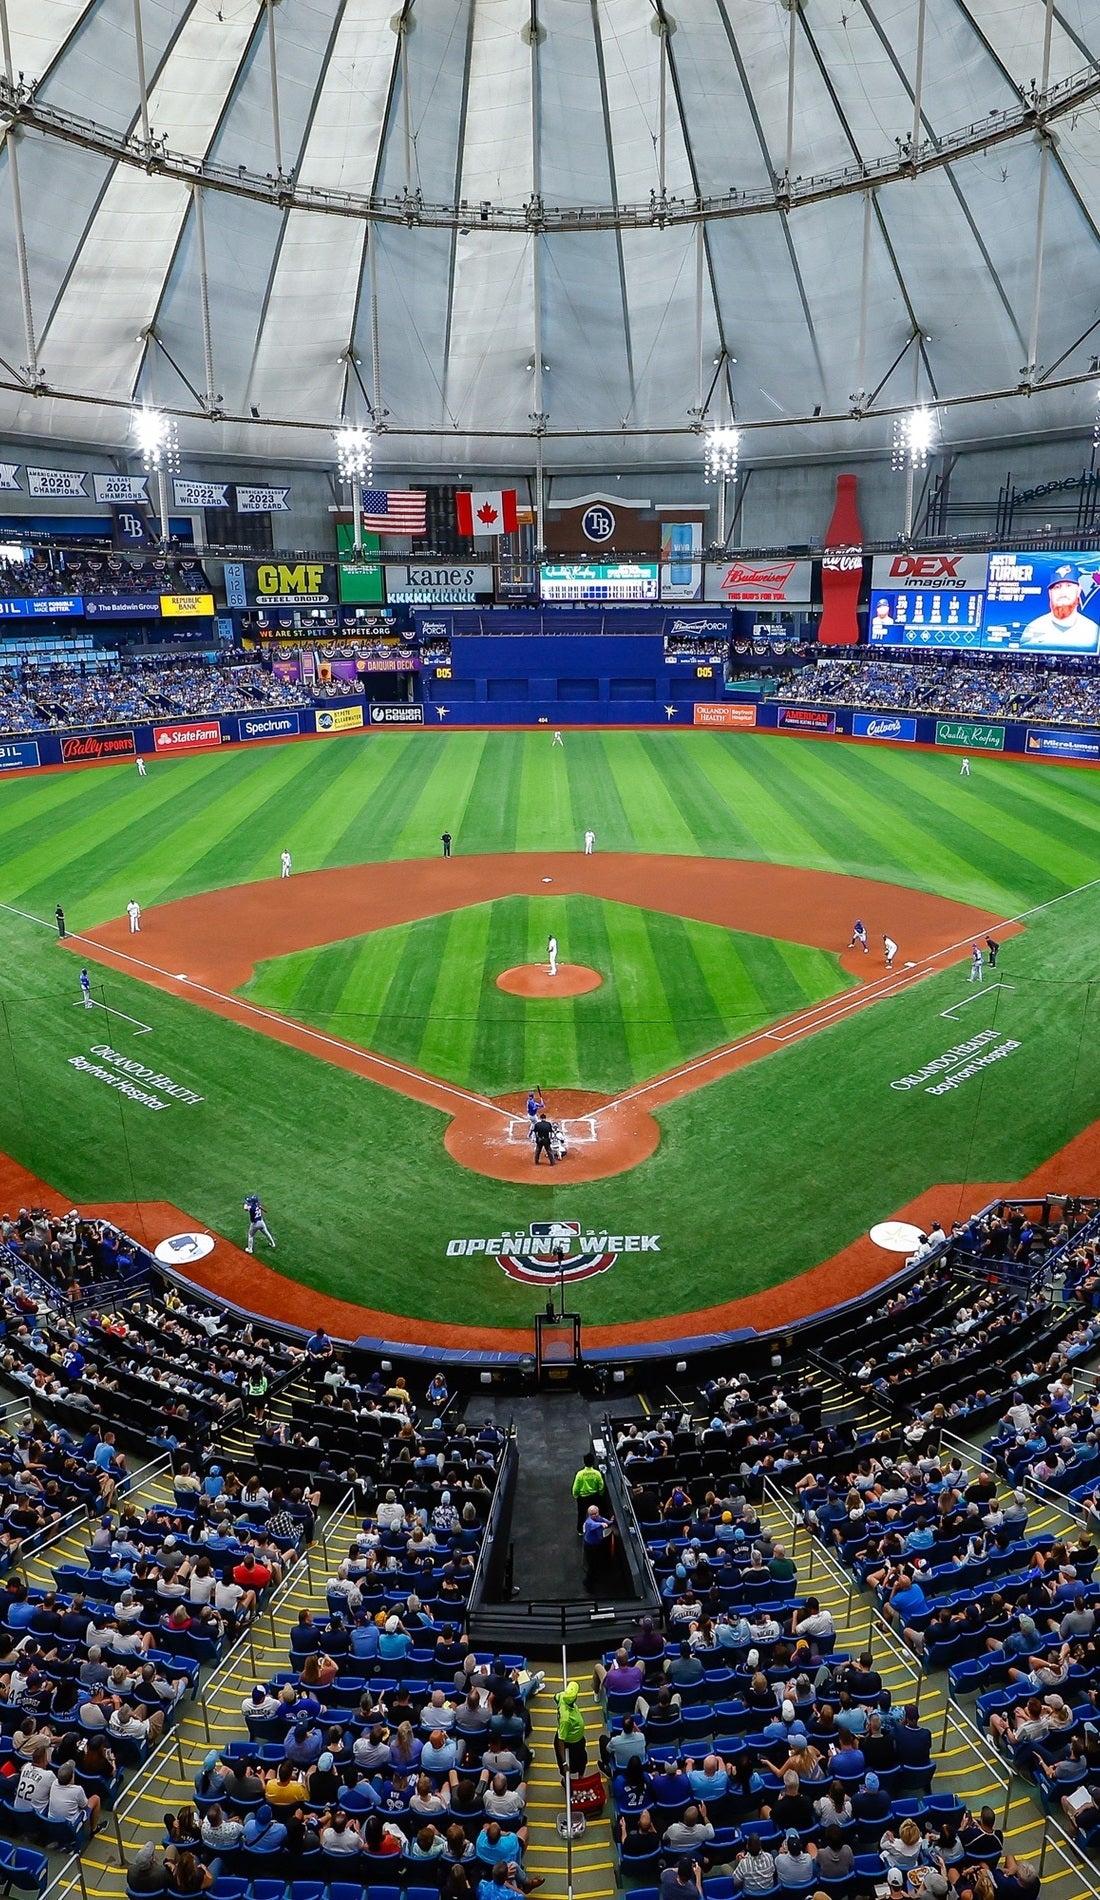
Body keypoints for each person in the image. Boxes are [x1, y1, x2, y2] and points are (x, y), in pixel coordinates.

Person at [1020, 565, 1100, 651]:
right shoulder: (1033, 628)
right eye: (1057, 587)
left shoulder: (1094, 631)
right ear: (1050, 593)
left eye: (1069, 586)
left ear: (1079, 590)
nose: (1063, 592)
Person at [553, 1681, 587, 1780]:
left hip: (579, 1740)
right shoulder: (565, 1719)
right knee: (570, 1766)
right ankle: (567, 1780)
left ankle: (581, 1778)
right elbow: (560, 1739)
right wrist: (564, 1763)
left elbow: (555, 1697)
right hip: (570, 1742)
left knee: (583, 1759)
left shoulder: (562, 1696)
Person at [572, 1457, 605, 1530]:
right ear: (593, 1462)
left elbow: (576, 1487)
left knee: (581, 1514)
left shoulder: (580, 1474)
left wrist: (575, 1495)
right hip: (594, 1496)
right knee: (596, 1513)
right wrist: (600, 1494)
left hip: (583, 1498)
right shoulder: (597, 1473)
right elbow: (601, 1485)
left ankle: (580, 1530)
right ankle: (597, 1527)